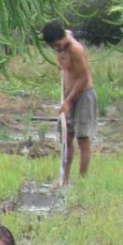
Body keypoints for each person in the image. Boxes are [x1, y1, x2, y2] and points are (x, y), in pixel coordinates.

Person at [42, 20, 96, 186]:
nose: (57, 48)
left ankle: (82, 181)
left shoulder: (75, 49)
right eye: (53, 47)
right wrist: (60, 63)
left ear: (62, 37)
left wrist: (68, 101)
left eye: (58, 45)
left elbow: (83, 78)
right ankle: (64, 180)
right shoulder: (63, 42)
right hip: (68, 95)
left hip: (82, 96)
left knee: (82, 139)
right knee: (66, 137)